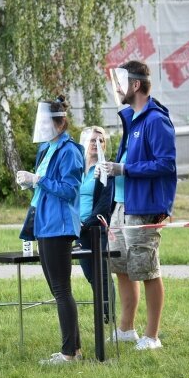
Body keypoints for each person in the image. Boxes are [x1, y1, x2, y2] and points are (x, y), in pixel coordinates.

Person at [100, 60, 177, 350]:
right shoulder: (132, 118)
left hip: (144, 206)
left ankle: (152, 336)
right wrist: (112, 169)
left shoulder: (156, 120)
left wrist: (125, 169)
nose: (117, 88)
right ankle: (126, 329)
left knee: (147, 269)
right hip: (122, 204)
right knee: (120, 265)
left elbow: (166, 164)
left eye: (120, 82)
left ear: (135, 85)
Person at [17, 97, 84, 365]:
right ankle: (74, 350)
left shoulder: (70, 151)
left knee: (61, 289)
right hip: (44, 223)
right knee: (59, 289)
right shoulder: (46, 148)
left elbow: (69, 191)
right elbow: (46, 187)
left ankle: (69, 353)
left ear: (60, 122)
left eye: (46, 122)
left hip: (59, 226)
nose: (42, 127)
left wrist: (39, 180)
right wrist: (31, 183)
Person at [77, 126, 115, 323]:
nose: (96, 144)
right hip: (76, 228)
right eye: (92, 140)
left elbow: (104, 204)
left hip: (95, 228)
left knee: (102, 275)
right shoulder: (76, 168)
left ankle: (109, 317)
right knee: (91, 275)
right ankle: (103, 313)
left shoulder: (105, 169)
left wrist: (86, 223)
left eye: (100, 141)